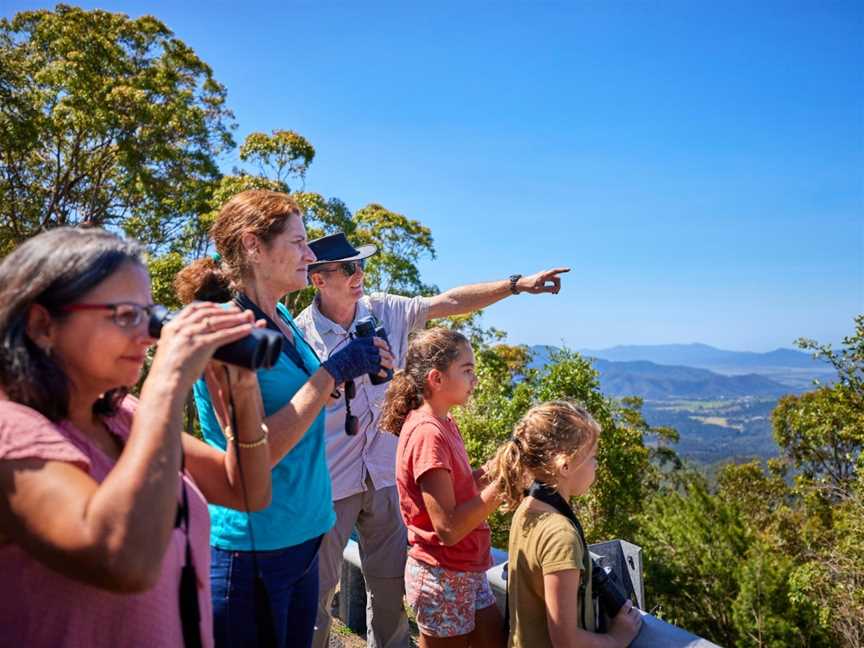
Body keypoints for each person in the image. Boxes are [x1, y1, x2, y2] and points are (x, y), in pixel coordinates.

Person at [0, 227, 272, 647]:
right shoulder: (11, 431)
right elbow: (122, 559)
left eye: (150, 316)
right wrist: (169, 381)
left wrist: (245, 392)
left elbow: (247, 492)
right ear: (42, 324)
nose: (148, 336)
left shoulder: (122, 417)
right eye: (125, 315)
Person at [295, 232, 568, 648]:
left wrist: (516, 285)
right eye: (349, 267)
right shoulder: (300, 337)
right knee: (318, 595)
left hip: (385, 478)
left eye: (361, 265)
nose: (359, 274)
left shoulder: (384, 309)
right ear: (318, 279)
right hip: (332, 483)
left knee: (388, 596)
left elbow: (451, 302)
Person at [174, 190, 394, 648]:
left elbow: (303, 400)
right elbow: (258, 452)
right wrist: (333, 371)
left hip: (306, 535)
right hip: (256, 549)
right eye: (298, 243)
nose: (310, 256)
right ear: (254, 246)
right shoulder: (224, 329)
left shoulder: (282, 321)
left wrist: (348, 373)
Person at [379, 327, 503, 648]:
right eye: (467, 370)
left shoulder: (444, 421)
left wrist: (500, 467)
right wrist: (504, 486)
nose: (474, 379)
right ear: (437, 378)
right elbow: (447, 527)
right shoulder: (427, 433)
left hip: (465, 569)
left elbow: (461, 488)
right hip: (442, 573)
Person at [489, 401, 642, 648]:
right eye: (592, 457)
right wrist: (616, 639)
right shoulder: (561, 536)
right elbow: (565, 640)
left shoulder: (527, 508)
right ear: (566, 465)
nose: (596, 465)